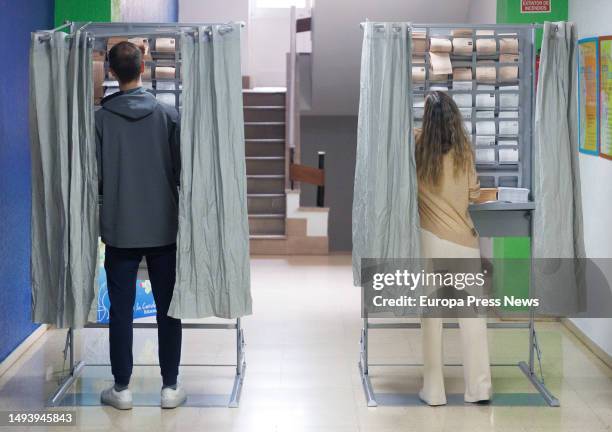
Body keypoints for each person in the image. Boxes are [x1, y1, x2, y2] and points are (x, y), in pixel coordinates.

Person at [95, 41, 184, 410]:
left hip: (119, 226)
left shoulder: (98, 119)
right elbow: (181, 172)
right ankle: (170, 387)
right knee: (168, 309)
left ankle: (122, 388)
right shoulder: (168, 116)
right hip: (163, 226)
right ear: (144, 66)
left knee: (120, 309)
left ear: (111, 73)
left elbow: (93, 176)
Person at [415, 91, 492, 406]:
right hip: (464, 241)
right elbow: (474, 194)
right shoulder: (464, 152)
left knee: (432, 320)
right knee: (473, 319)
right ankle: (479, 389)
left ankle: (434, 391)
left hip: (431, 240)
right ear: (455, 119)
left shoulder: (417, 148)